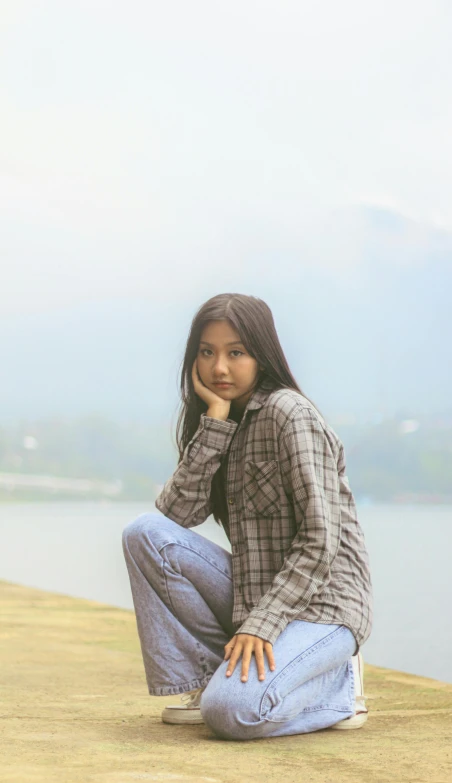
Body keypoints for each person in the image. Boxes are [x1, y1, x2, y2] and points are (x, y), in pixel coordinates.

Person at [122, 292, 373, 740]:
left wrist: (260, 625)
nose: (219, 367)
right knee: (145, 534)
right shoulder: (222, 418)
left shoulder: (288, 415)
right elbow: (175, 515)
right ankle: (208, 680)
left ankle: (337, 686)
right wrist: (215, 425)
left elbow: (321, 539)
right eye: (207, 352)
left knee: (232, 714)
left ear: (262, 354)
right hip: (257, 597)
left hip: (324, 609)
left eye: (235, 352)